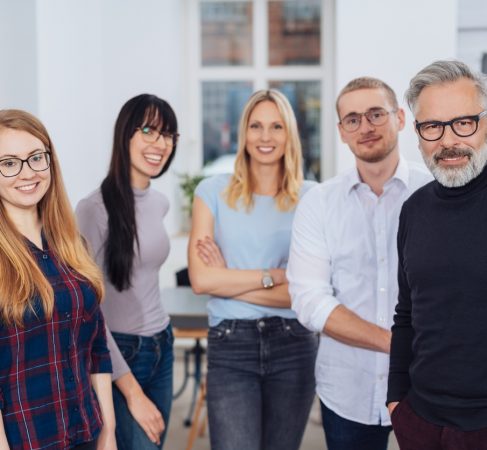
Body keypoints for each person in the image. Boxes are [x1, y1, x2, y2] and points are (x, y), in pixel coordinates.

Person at [287, 77, 432, 450]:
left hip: (429, 387)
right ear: (341, 131)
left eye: (375, 114)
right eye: (352, 119)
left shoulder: (434, 190)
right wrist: (393, 343)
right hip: (347, 391)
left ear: (400, 117)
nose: (364, 127)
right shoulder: (319, 203)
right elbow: (309, 299)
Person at [188, 89, 318, 450]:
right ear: (243, 133)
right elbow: (201, 279)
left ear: (289, 133)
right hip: (231, 345)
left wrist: (227, 281)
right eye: (256, 126)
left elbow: (305, 291)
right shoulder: (211, 192)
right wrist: (273, 275)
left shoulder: (312, 198)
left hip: (294, 344)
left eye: (276, 126)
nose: (265, 137)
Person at [0, 109, 116, 450]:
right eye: (8, 163)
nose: (28, 173)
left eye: (37, 158)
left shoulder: (72, 244)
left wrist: (107, 431)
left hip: (85, 431)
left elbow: (97, 347)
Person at [386, 60, 487, 450]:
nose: (448, 141)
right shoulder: (414, 209)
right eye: (433, 126)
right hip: (421, 424)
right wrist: (397, 403)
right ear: (417, 133)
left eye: (464, 122)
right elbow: (406, 314)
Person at [76, 94, 179, 450]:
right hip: (119, 353)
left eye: (167, 134)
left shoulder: (160, 203)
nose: (159, 143)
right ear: (125, 135)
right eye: (148, 130)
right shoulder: (92, 209)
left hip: (163, 345)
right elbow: (89, 311)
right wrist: (131, 391)